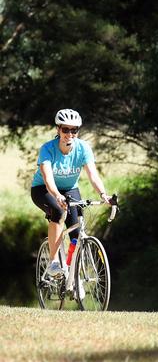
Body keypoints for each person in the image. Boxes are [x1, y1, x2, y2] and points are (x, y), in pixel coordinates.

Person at [31, 109, 112, 278]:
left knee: (76, 232)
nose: (69, 134)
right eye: (65, 129)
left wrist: (104, 195)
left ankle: (74, 279)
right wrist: (57, 196)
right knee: (59, 212)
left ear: (78, 131)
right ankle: (54, 263)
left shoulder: (83, 148)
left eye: (73, 130)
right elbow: (47, 179)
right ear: (58, 129)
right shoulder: (47, 149)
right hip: (43, 189)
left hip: (70, 189)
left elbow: (93, 175)